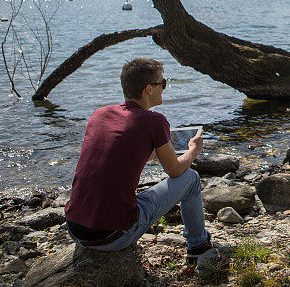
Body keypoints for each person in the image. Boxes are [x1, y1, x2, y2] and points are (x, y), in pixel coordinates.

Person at [64, 58, 211, 262]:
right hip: (113, 235)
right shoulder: (154, 121)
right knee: (192, 178)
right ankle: (198, 246)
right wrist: (194, 150)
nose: (164, 88)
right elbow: (175, 171)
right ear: (149, 89)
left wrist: (150, 151)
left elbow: (113, 155)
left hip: (74, 228)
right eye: (163, 83)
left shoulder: (99, 114)